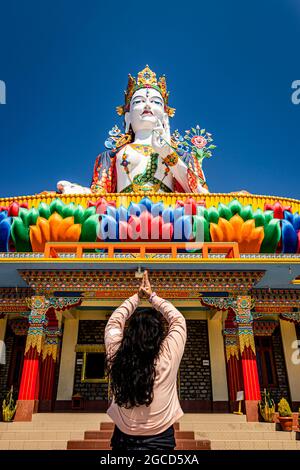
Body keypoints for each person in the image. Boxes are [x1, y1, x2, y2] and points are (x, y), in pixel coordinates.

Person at [57, 66, 208, 194]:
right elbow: (98, 196)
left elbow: (203, 195)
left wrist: (167, 153)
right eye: (139, 101)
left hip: (172, 220)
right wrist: (78, 192)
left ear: (164, 116)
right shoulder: (109, 157)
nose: (147, 105)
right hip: (121, 219)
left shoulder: (184, 157)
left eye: (155, 101)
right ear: (127, 117)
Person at [104, 270, 186, 451]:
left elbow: (114, 322)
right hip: (161, 440)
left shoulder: (116, 352)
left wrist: (136, 297)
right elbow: (178, 320)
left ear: (129, 332)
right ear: (159, 335)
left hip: (123, 439)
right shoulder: (168, 355)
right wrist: (151, 297)